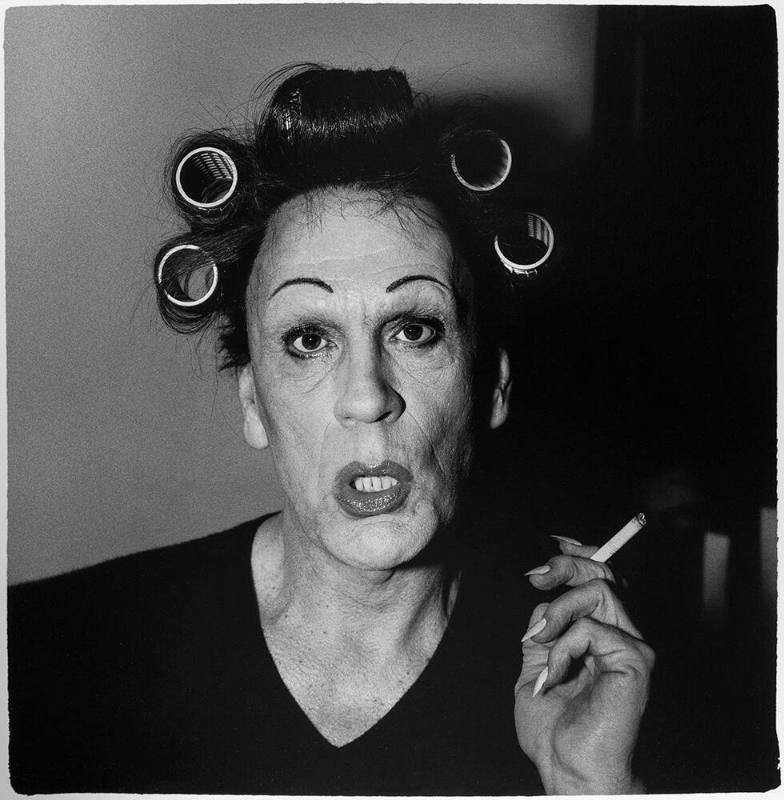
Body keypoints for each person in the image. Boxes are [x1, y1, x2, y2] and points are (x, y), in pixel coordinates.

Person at [8, 65, 653, 794]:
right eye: (309, 339)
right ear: (254, 400)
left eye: (414, 329)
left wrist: (590, 782)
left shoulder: (588, 683)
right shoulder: (42, 656)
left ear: (491, 386)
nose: (366, 397)